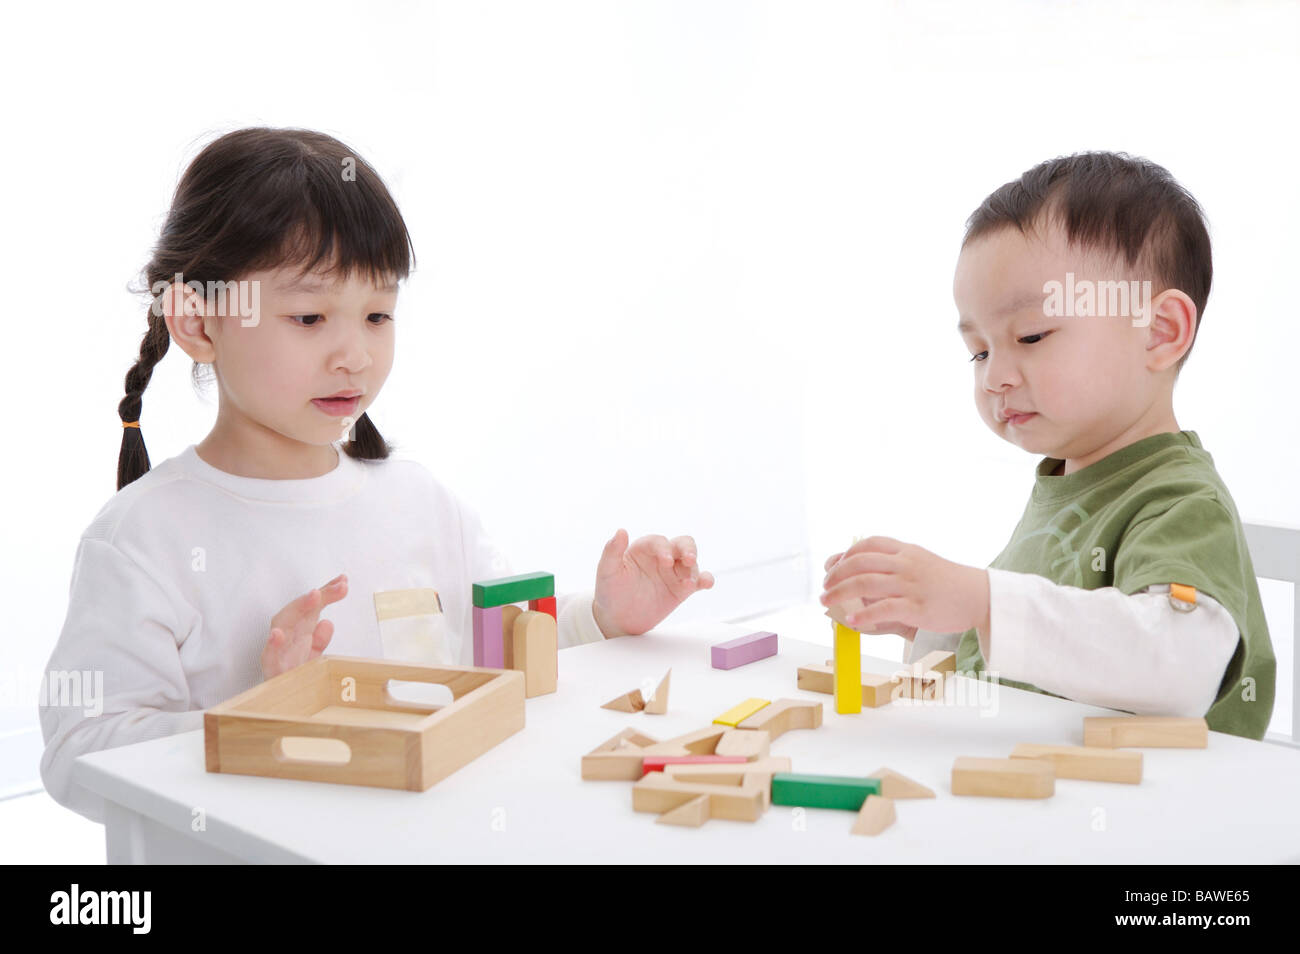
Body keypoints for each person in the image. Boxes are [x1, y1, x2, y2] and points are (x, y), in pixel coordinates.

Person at [40, 127, 714, 822]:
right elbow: (78, 751)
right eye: (309, 316)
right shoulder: (143, 538)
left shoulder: (417, 502)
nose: (356, 355)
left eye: (377, 315)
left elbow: (506, 659)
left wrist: (604, 618)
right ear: (199, 322)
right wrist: (265, 717)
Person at [820, 151, 1275, 740]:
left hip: (1162, 812)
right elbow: (1041, 662)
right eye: (979, 350)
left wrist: (981, 600)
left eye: (1031, 335)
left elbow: (1178, 668)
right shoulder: (1063, 482)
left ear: (1160, 332)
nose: (993, 377)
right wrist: (928, 622)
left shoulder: (1182, 503)